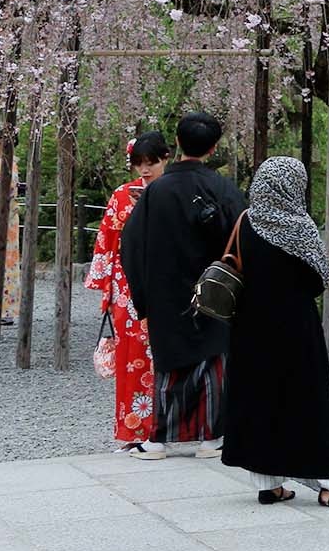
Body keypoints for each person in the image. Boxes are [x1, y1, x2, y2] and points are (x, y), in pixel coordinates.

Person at [220, 157, 329, 509]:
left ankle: (270, 484)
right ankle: (328, 485)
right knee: (309, 402)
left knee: (260, 399)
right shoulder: (299, 226)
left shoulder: (245, 222)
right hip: (294, 328)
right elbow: (317, 280)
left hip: (250, 328)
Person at [120, 111, 245, 461]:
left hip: (165, 291)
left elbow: (131, 246)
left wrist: (143, 298)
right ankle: (212, 436)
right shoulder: (224, 189)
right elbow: (243, 240)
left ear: (176, 144)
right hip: (217, 291)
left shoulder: (156, 191)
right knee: (213, 361)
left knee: (169, 364)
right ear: (214, 147)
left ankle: (159, 439)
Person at [85, 132, 168, 451]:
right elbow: (105, 241)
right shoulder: (121, 195)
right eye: (139, 164)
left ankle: (168, 428)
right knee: (132, 358)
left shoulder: (171, 192)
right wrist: (106, 289)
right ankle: (133, 430)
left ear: (166, 158)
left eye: (151, 163)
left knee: (166, 358)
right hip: (126, 288)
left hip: (164, 282)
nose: (145, 170)